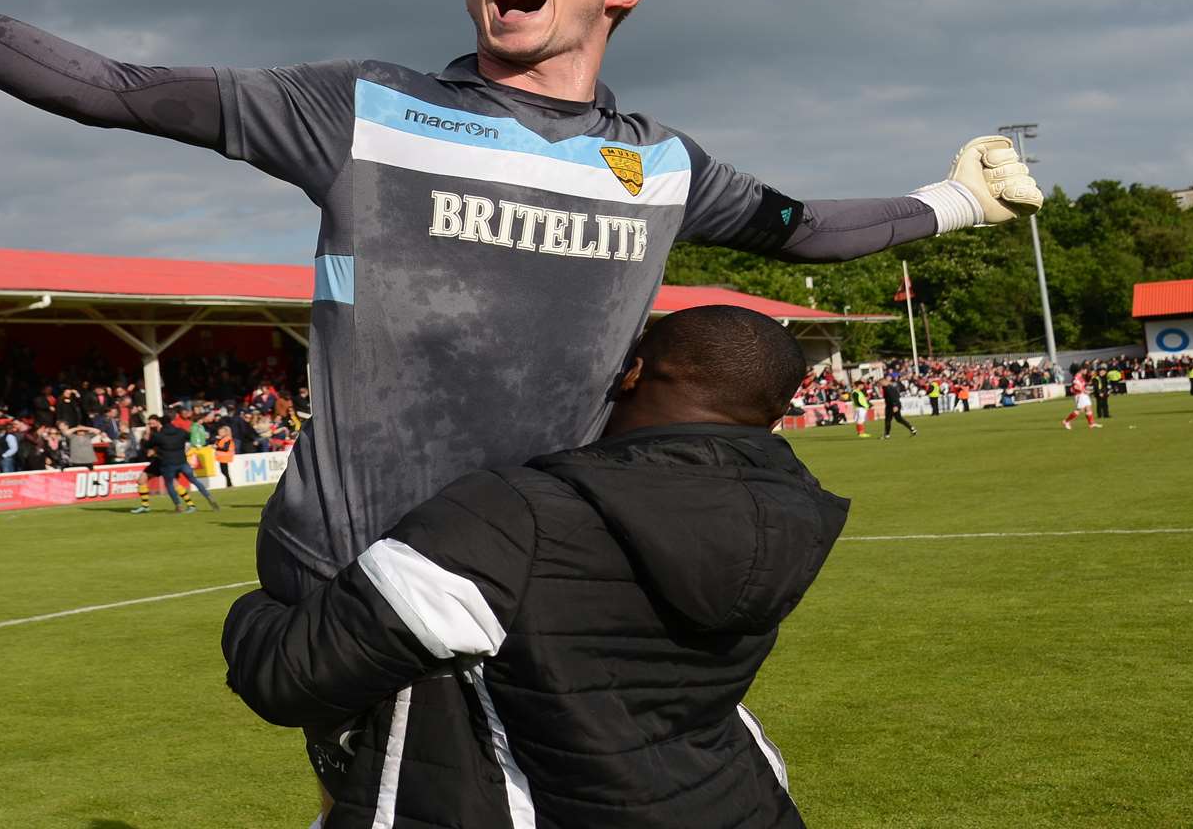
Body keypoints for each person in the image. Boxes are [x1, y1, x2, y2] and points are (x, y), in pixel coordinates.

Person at [0, 0, 1042, 800]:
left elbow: (802, 225)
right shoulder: (361, 109)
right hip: (365, 575)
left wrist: (956, 203)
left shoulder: (658, 164)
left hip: (555, 573)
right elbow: (116, 89)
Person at [223, 305, 848, 827]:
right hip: (728, 800)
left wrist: (264, 601)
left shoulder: (516, 512)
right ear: (773, 414)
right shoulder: (793, 512)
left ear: (632, 373)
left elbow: (293, 675)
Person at [880, 373, 917, 439]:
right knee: (899, 419)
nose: (880, 384)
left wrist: (895, 405)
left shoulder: (888, 388)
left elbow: (893, 397)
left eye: (881, 383)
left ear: (884, 381)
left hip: (892, 406)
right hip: (894, 405)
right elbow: (897, 395)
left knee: (888, 420)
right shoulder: (889, 387)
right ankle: (912, 429)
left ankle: (887, 435)